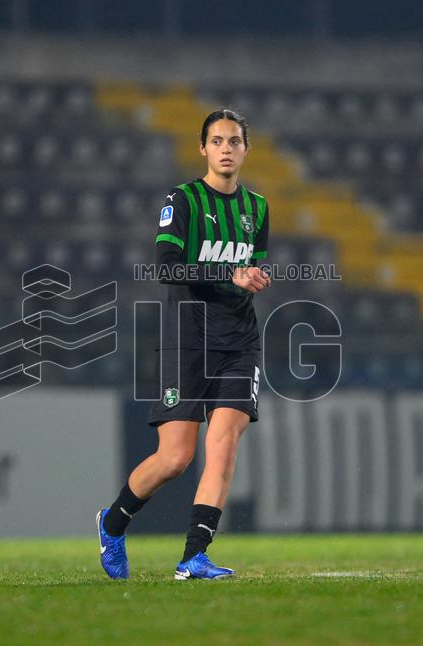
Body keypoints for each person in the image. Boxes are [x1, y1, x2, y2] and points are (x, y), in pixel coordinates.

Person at [97, 109, 271, 580]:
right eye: (217, 141)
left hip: (239, 341)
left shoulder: (257, 208)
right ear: (203, 149)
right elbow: (166, 266)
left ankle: (194, 556)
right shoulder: (184, 199)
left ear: (246, 149)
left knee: (224, 444)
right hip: (186, 338)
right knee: (176, 458)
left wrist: (252, 276)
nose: (227, 149)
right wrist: (228, 273)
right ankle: (112, 524)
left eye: (235, 141)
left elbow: (248, 265)